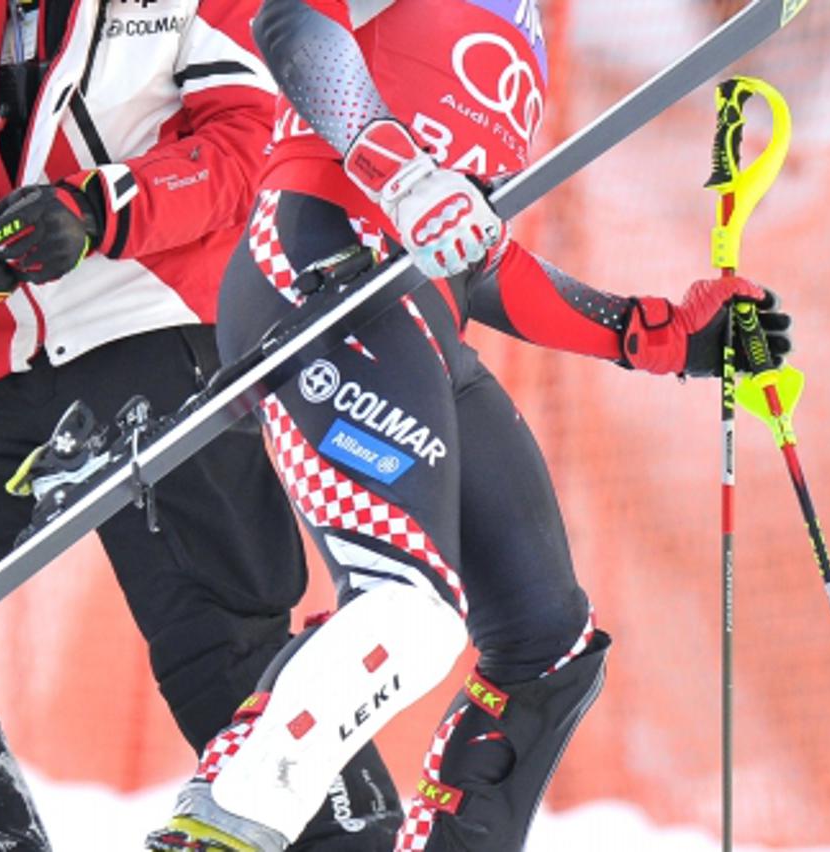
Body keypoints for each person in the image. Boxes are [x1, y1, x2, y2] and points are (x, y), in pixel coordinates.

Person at [145, 0, 794, 850]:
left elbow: (470, 253)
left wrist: (657, 334)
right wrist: (403, 172)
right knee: (411, 613)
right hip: (324, 261)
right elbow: (295, 24)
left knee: (548, 646)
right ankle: (227, 823)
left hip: (419, 310)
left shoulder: (527, 32)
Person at [0, 0, 401, 849]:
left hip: (162, 327)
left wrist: (102, 208)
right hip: (6, 360)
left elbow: (260, 138)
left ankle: (353, 839)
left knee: (220, 654)